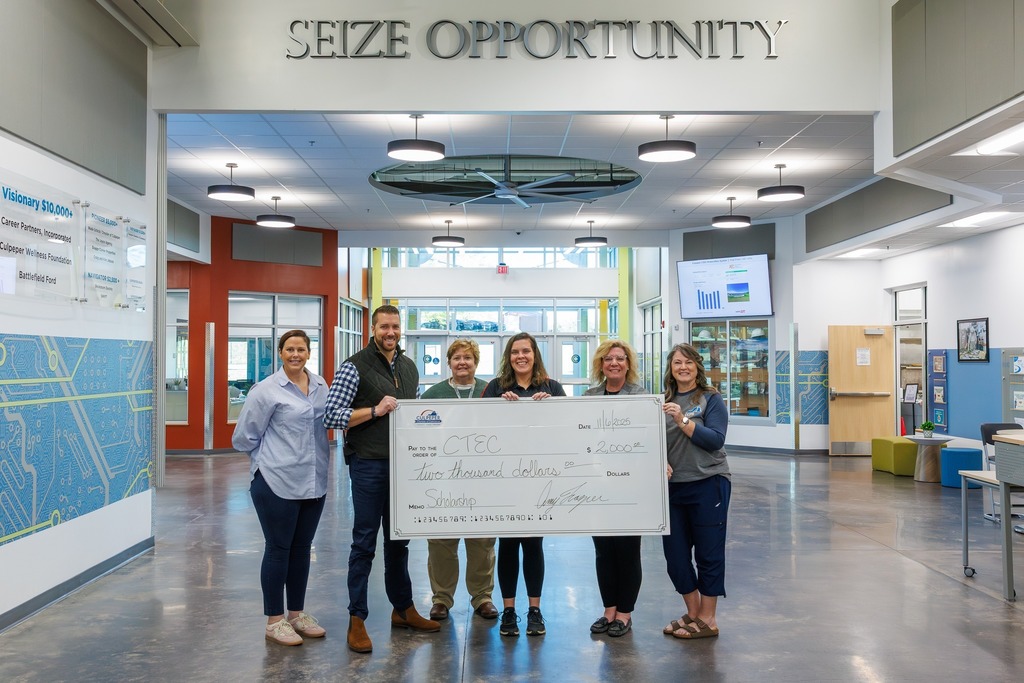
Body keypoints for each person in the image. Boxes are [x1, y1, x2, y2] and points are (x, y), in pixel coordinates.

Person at [324, 305, 440, 654]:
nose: (390, 332)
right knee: (364, 544)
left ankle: (402, 609)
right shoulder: (353, 366)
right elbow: (331, 414)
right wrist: (374, 410)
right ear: (372, 328)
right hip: (368, 465)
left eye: (395, 327)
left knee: (398, 541)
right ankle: (356, 618)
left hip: (402, 466)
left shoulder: (408, 367)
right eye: (384, 326)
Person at [231, 330, 330, 646]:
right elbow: (243, 437)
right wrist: (265, 462)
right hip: (276, 482)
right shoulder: (265, 391)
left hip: (314, 481)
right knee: (278, 549)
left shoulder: (320, 385)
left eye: (301, 349)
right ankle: (274, 621)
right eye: (290, 349)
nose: (296, 354)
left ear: (309, 352)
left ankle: (296, 614)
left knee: (302, 549)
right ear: (280, 352)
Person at [481, 332, 566, 637]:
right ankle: (508, 612)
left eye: (526, 351)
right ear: (509, 356)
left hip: (539, 482)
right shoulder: (495, 388)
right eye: (515, 352)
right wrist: (498, 408)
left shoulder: (552, 388)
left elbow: (567, 430)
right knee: (507, 544)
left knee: (533, 545)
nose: (521, 356)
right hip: (504, 482)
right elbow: (480, 430)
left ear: (534, 355)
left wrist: (551, 406)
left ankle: (534, 610)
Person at [420, 339, 499, 622]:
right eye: (457, 357)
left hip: (484, 480)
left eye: (468, 357)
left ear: (476, 362)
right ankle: (441, 598)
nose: (462, 362)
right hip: (443, 481)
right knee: (441, 541)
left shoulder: (492, 391)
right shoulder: (432, 395)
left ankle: (482, 597)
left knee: (482, 542)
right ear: (449, 362)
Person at [660, 343, 730, 640]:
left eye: (688, 362)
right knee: (675, 556)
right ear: (671, 368)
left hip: (708, 483)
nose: (683, 367)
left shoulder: (711, 398)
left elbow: (715, 439)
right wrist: (658, 459)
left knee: (708, 553)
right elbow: (650, 439)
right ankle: (693, 612)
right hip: (672, 489)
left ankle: (708, 619)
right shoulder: (661, 400)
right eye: (677, 363)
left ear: (697, 367)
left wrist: (682, 419)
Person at [583, 340, 646, 638]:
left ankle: (625, 613)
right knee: (603, 551)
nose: (614, 363)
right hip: (597, 484)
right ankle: (608, 610)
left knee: (628, 550)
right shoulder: (590, 396)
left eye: (620, 359)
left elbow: (649, 438)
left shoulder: (642, 397)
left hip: (630, 485)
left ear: (628, 364)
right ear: (600, 364)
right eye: (608, 359)